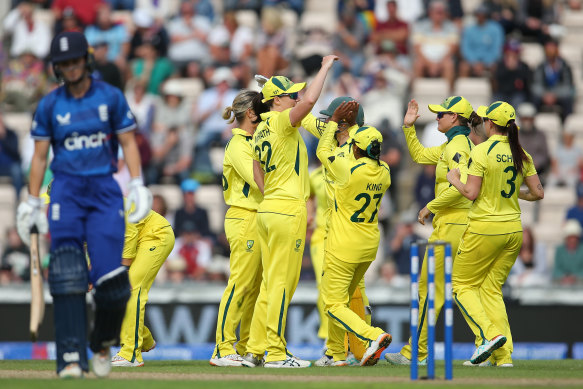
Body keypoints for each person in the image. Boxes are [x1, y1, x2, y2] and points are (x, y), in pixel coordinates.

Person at [15, 31, 152, 379]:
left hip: (105, 191)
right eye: (64, 63)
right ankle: (70, 358)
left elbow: (128, 142)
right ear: (57, 67)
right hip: (66, 192)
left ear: (86, 61)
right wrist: (32, 201)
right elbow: (39, 157)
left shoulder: (110, 97)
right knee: (67, 274)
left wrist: (136, 183)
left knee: (112, 281)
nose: (71, 68)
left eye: (75, 61)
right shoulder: (50, 104)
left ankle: (103, 341)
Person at [241, 55, 337, 368]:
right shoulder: (282, 121)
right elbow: (310, 101)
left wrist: (269, 193)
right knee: (283, 284)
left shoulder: (259, 130)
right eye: (290, 95)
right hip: (287, 212)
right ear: (277, 101)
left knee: (270, 283)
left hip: (268, 210)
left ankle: (256, 349)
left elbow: (257, 168)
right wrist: (324, 67)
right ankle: (277, 353)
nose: (296, 97)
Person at [385, 96, 482, 366]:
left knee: (430, 288)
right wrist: (408, 127)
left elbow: (461, 185)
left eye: (442, 114)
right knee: (461, 289)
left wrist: (430, 206)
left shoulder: (458, 146)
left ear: (456, 118)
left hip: (453, 224)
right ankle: (493, 345)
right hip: (452, 224)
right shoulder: (450, 145)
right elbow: (417, 155)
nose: (437, 117)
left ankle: (415, 352)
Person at [447, 100, 544, 367]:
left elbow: (471, 193)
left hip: (484, 228)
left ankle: (489, 336)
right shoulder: (521, 153)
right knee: (491, 289)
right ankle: (503, 357)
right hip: (513, 230)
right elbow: (538, 193)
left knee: (461, 286)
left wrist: (455, 179)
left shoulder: (482, 151)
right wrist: (515, 194)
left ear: (489, 123)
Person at [316, 106, 392, 366]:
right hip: (368, 245)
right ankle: (337, 355)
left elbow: (322, 152)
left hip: (343, 245)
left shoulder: (346, 169)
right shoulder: (385, 172)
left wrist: (334, 122)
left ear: (356, 148)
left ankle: (373, 336)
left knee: (333, 304)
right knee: (345, 298)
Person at [310, 97, 371, 366]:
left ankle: (341, 349)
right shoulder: (365, 146)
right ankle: (358, 349)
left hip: (339, 234)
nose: (325, 123)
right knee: (354, 292)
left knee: (332, 294)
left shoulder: (343, 154)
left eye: (331, 119)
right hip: (363, 236)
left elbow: (322, 150)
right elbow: (307, 120)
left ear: (343, 124)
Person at [209, 90, 264, 367]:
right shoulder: (239, 145)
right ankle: (223, 347)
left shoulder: (252, 140)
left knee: (254, 287)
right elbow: (257, 180)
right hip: (244, 216)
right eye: (262, 108)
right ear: (252, 114)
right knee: (240, 283)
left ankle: (244, 347)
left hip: (259, 216)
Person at [112, 206, 175, 367]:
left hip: (155, 234)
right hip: (134, 240)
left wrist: (124, 269)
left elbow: (130, 232)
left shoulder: (102, 201)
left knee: (131, 289)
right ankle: (145, 340)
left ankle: (130, 353)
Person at [553, 220, 583, 286]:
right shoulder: (559, 250)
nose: (572, 240)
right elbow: (556, 269)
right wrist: (563, 277)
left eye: (574, 237)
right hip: (562, 284)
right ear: (566, 238)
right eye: (570, 237)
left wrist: (575, 277)